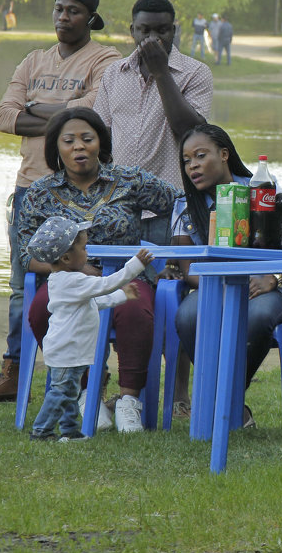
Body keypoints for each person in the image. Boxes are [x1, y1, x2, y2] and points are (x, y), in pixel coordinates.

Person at [0, 0, 120, 405]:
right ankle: (13, 373)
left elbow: (95, 116)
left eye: (72, 10)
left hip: (81, 193)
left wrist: (35, 110)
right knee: (22, 284)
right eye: (58, 9)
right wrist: (64, 118)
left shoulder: (105, 59)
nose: (63, 17)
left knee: (85, 281)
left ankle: (90, 376)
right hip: (31, 191)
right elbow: (2, 116)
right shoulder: (33, 60)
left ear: (91, 17)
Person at [19, 108, 179, 433]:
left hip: (125, 273)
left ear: (99, 144)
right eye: (69, 141)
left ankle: (128, 401)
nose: (79, 147)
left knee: (134, 309)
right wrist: (74, 269)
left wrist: (174, 258)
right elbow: (26, 254)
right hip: (67, 281)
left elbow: (179, 203)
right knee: (40, 311)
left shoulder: (129, 180)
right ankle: (85, 392)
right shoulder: (40, 193)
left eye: (87, 139)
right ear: (57, 149)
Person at [169, 124, 282, 425]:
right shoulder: (184, 206)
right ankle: (233, 406)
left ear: (224, 154)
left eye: (200, 156)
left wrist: (274, 278)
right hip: (213, 287)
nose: (192, 166)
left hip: (262, 288)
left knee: (258, 316)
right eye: (186, 161)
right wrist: (226, 283)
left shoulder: (261, 188)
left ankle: (223, 399)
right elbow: (189, 271)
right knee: (188, 316)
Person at [93, 0, 212, 242]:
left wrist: (161, 72)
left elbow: (190, 132)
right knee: (122, 280)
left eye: (162, 30)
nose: (153, 38)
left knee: (168, 279)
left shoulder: (196, 73)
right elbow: (99, 137)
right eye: (144, 30)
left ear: (173, 31)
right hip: (119, 208)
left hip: (173, 209)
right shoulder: (114, 73)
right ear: (132, 31)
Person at [27, 219, 149, 442]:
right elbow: (106, 284)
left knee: (70, 393)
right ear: (65, 257)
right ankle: (41, 430)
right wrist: (135, 265)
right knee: (60, 394)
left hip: (70, 351)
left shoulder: (63, 280)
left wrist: (123, 296)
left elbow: (96, 302)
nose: (87, 253)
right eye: (83, 248)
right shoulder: (72, 280)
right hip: (66, 351)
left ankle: (70, 431)